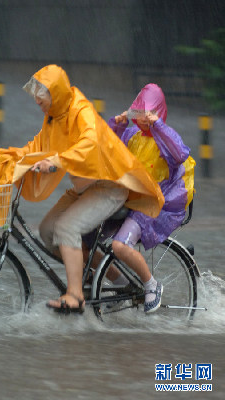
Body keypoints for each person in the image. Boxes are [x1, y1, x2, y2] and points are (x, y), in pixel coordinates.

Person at [0, 65, 164, 313]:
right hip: (86, 188)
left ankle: (75, 295)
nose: (37, 100)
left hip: (109, 185)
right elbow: (38, 145)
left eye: (43, 94)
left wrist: (56, 162)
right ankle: (113, 280)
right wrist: (12, 159)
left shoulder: (81, 110)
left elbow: (89, 143)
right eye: (36, 95)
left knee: (66, 227)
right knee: (48, 231)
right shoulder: (53, 118)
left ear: (56, 93)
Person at [106, 83, 195, 313]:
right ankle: (120, 286)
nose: (144, 119)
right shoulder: (131, 134)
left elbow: (180, 153)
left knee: (119, 245)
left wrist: (158, 125)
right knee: (88, 242)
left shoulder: (165, 136)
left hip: (152, 205)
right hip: (127, 199)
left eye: (149, 114)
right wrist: (117, 124)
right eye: (140, 113)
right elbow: (107, 148)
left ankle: (151, 284)